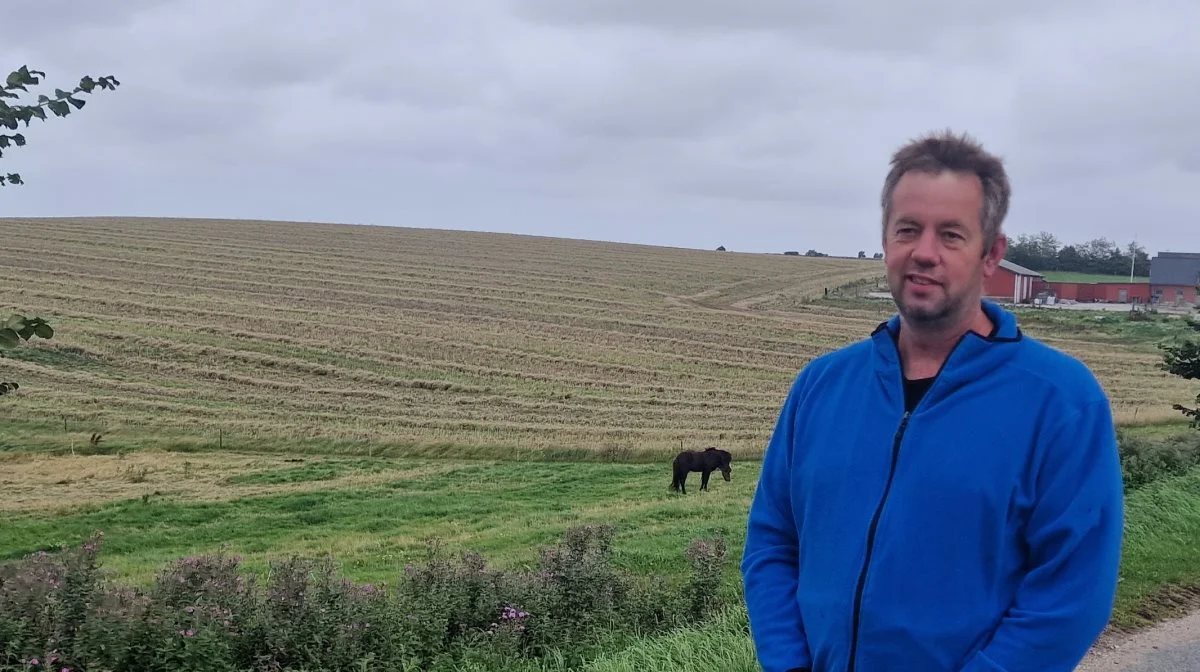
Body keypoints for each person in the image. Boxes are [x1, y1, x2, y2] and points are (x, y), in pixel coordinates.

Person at [740, 130, 1125, 672]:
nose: (923, 253)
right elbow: (772, 545)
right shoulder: (821, 387)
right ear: (885, 240)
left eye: (950, 235)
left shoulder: (1061, 402)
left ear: (991, 254)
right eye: (908, 230)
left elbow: (1070, 596)